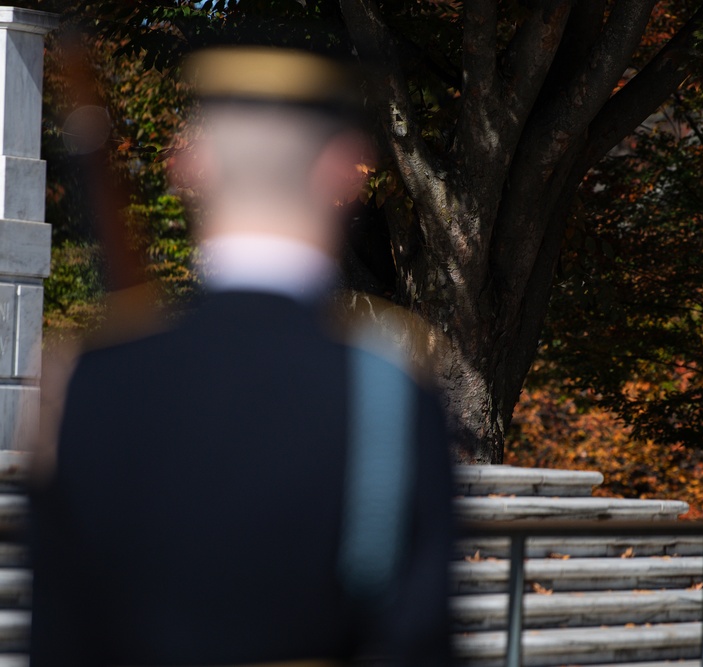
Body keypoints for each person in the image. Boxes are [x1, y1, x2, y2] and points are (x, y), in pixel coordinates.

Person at [29, 45, 454, 666]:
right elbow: (415, 642)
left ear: (190, 164)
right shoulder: (389, 386)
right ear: (345, 169)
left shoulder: (88, 379)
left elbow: (61, 640)